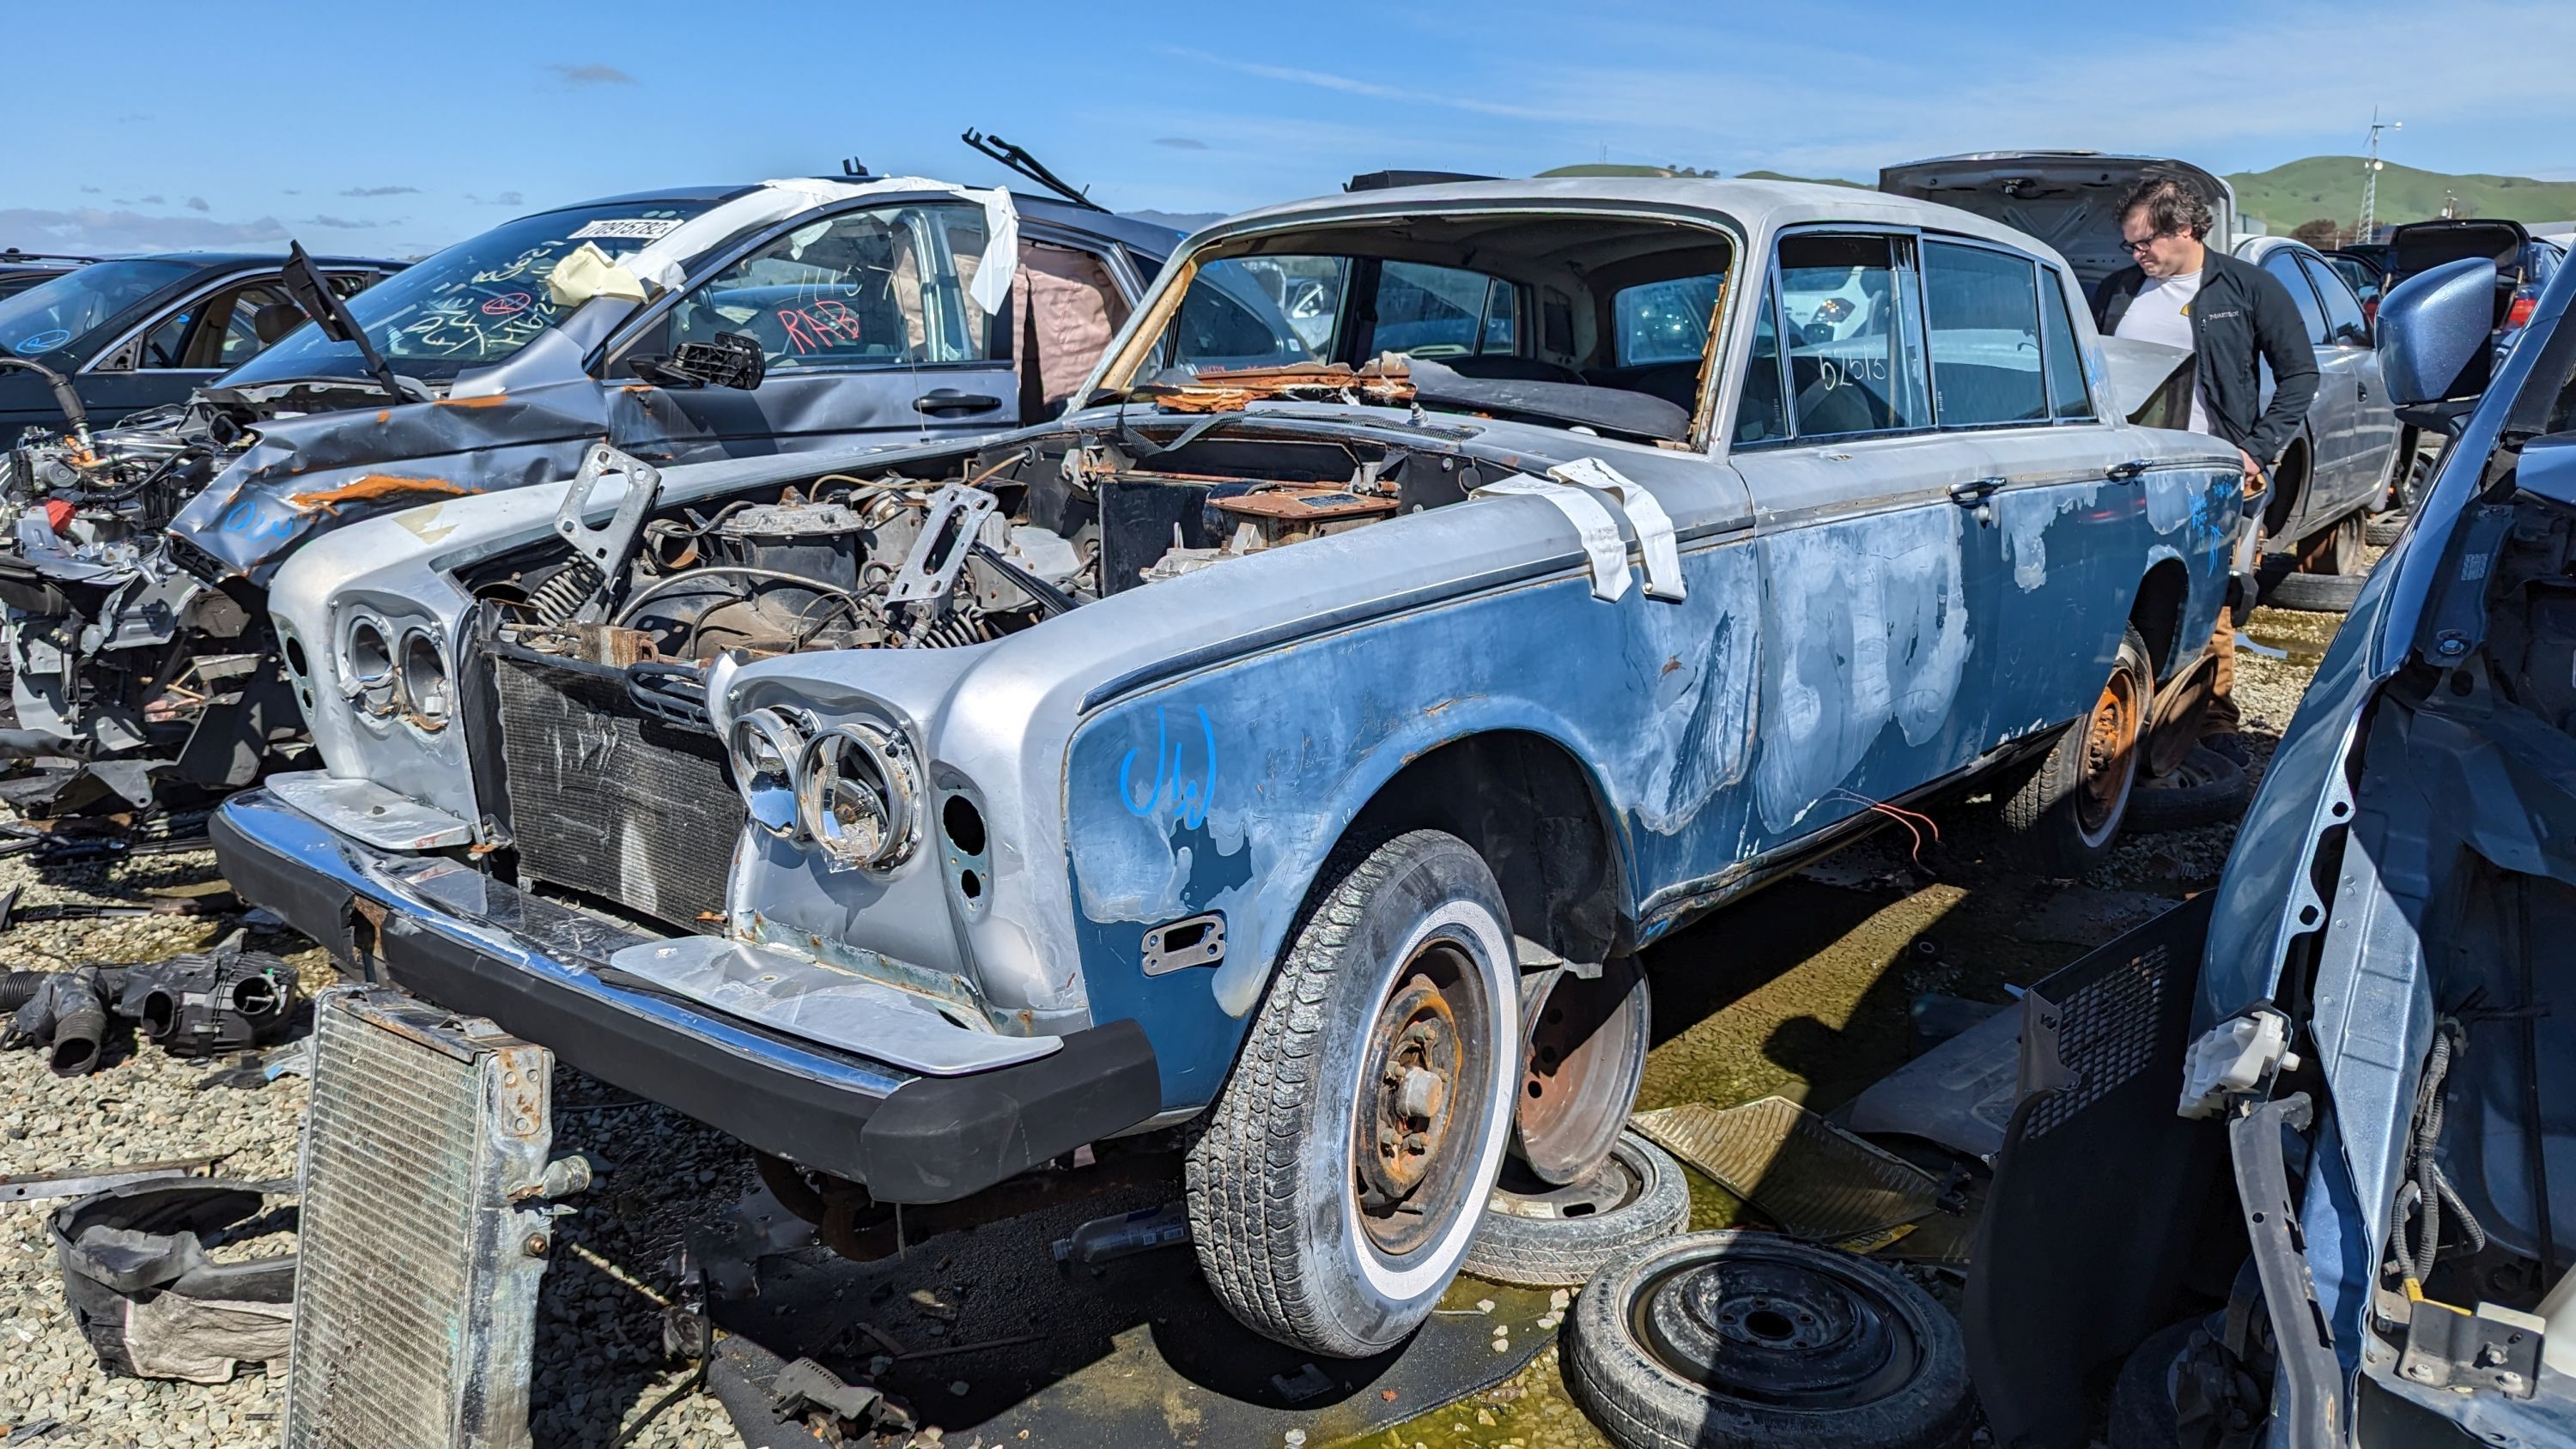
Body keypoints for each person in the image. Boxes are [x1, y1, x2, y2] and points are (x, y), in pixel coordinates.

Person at [2093, 177, 2318, 766]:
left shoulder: (2248, 288)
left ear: (2186, 229)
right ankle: (2134, 713)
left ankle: (2211, 721)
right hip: (2135, 470)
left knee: (2210, 596)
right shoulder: (2117, 292)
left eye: (2145, 243)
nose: (2136, 255)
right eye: (2130, 245)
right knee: (2137, 589)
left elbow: (2301, 376)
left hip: (2214, 472)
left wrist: (2258, 449)